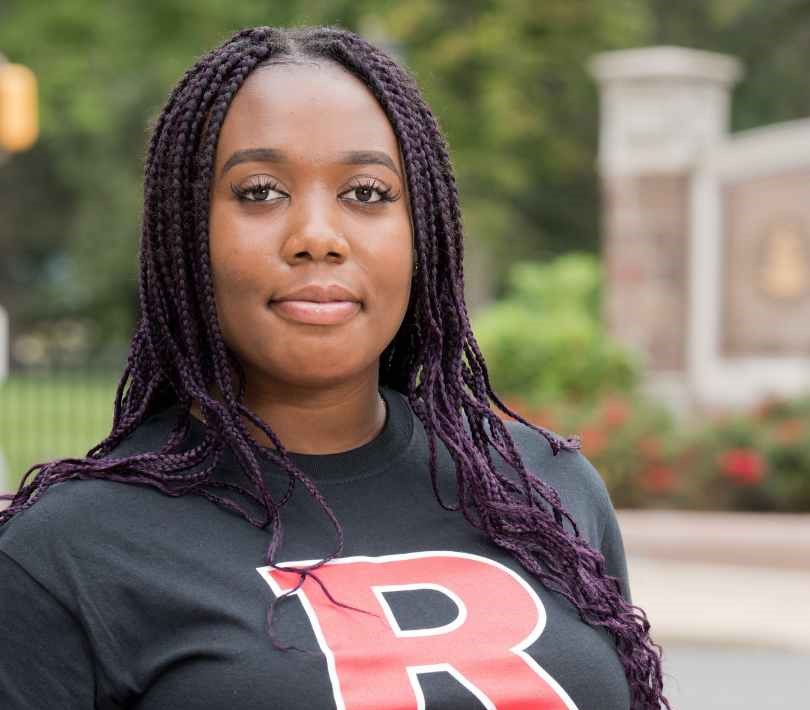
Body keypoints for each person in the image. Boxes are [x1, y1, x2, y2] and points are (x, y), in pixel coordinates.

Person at [0, 26, 671, 710]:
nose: (318, 236)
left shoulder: (544, 491)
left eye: (367, 193)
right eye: (259, 192)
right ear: (182, 234)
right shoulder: (64, 556)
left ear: (424, 234)